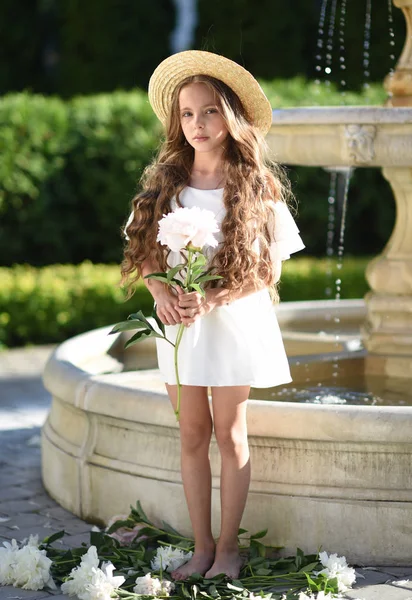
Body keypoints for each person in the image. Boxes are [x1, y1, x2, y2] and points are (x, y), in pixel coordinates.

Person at [121, 50, 304, 581]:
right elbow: (146, 252)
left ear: (231, 116)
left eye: (209, 112)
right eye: (186, 114)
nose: (196, 124)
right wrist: (160, 293)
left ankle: (228, 550)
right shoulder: (164, 184)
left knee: (230, 434)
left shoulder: (256, 186)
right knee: (191, 435)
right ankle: (200, 548)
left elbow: (267, 272)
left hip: (232, 322)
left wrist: (214, 298)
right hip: (180, 324)